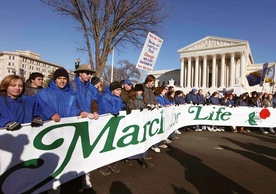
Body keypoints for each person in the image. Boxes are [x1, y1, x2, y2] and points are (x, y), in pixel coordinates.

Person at [35, 68, 92, 193]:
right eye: (59, 78)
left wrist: (80, 112)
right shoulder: (43, 93)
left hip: (69, 131)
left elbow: (74, 109)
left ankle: (76, 179)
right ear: (55, 79)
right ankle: (53, 185)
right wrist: (49, 114)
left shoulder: (71, 94)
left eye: (64, 78)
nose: (62, 81)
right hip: (52, 133)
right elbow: (38, 108)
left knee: (71, 156)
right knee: (54, 159)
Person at [97, 81, 126, 175]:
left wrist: (125, 107)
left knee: (114, 144)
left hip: (115, 123)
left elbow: (120, 105)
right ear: (112, 90)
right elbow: (103, 108)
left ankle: (111, 163)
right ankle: (102, 166)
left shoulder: (118, 97)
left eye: (120, 90)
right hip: (106, 124)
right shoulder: (105, 97)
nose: (120, 91)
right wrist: (115, 111)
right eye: (118, 90)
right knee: (105, 145)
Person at [126, 84, 153, 168]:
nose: (141, 92)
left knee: (142, 140)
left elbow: (143, 106)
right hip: (135, 123)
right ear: (136, 91)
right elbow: (130, 109)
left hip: (141, 122)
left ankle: (143, 157)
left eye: (142, 91)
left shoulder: (141, 99)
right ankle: (130, 156)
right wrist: (138, 110)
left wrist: (147, 108)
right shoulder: (131, 99)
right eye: (140, 91)